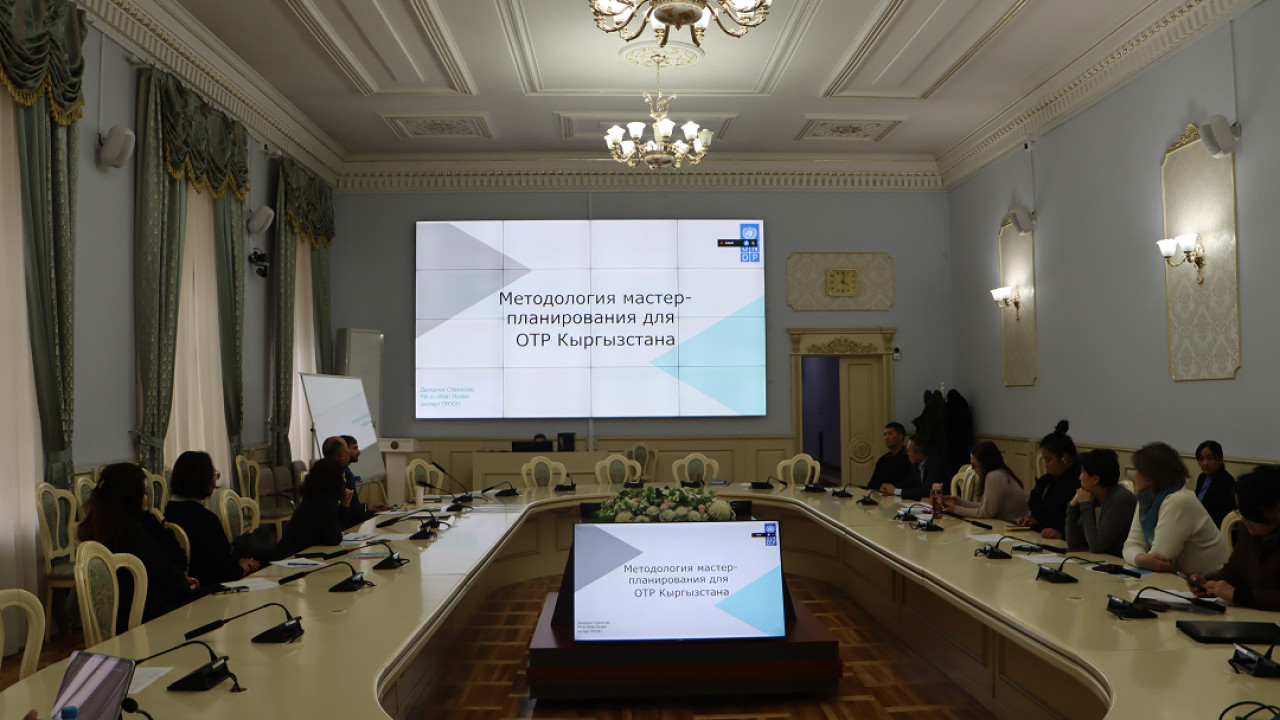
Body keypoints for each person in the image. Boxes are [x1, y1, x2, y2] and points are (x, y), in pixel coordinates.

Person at [77, 463, 199, 632]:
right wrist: (154, 522)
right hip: (145, 619)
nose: (146, 499)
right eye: (144, 493)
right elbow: (172, 568)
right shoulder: (130, 532)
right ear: (132, 496)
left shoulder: (97, 526)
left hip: (123, 616)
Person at [1123, 442, 1229, 575]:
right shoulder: (1146, 499)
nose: (1134, 474)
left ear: (1150, 477)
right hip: (1182, 578)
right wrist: (1140, 559)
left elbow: (1160, 558)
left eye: (1137, 469)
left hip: (1212, 581)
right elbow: (1131, 545)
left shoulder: (1177, 501)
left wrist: (1143, 559)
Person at [1188, 465, 1280, 610]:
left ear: (1277, 509)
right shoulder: (1248, 532)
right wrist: (1209, 583)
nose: (1244, 519)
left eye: (1250, 512)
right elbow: (1234, 572)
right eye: (1240, 511)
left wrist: (1239, 596)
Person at [165, 451, 261, 586]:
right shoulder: (204, 519)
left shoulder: (167, 512)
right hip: (206, 587)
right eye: (214, 475)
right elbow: (225, 570)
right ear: (203, 480)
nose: (215, 479)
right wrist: (242, 567)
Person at [1015, 420, 1081, 540]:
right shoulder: (1050, 481)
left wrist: (1061, 534)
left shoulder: (1079, 483)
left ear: (1064, 458)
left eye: (1049, 460)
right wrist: (1035, 521)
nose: (1046, 465)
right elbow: (1045, 513)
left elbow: (1080, 523)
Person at [1064, 449, 1136, 556]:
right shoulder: (1094, 497)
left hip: (1119, 562)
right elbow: (1074, 542)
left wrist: (1085, 506)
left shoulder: (1122, 499)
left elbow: (1096, 546)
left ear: (1095, 479)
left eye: (1082, 471)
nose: (1079, 477)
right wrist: (1072, 507)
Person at [275, 458, 350, 559]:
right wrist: (344, 508)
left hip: (296, 552)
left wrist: (344, 506)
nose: (344, 481)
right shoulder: (324, 501)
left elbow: (335, 530)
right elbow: (334, 539)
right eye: (343, 477)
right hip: (290, 557)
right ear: (335, 480)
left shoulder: (315, 496)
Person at [943, 441, 1030, 523]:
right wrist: (960, 502)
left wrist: (956, 510)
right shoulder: (1001, 473)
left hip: (1015, 526)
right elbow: (983, 506)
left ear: (985, 464)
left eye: (974, 466)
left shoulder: (994, 476)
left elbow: (986, 513)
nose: (973, 469)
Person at [880, 435, 949, 500]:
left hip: (942, 503)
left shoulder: (935, 463)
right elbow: (907, 483)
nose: (907, 453)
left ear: (919, 454)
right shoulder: (916, 464)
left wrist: (895, 491)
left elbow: (926, 491)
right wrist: (888, 488)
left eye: (909, 451)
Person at [341, 434, 390, 516]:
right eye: (355, 448)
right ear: (345, 451)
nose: (359, 452)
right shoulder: (346, 474)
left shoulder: (346, 472)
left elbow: (354, 504)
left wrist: (369, 507)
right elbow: (353, 510)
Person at [1193, 440, 1236, 528]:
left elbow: (1223, 513)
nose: (1205, 463)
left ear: (1221, 458)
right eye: (1201, 459)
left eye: (1210, 458)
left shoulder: (1227, 480)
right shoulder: (1202, 477)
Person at [866, 422, 910, 490]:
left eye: (890, 434)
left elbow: (910, 482)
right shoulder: (883, 459)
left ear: (901, 436)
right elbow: (873, 483)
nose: (886, 437)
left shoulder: (909, 458)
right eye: (885, 434)